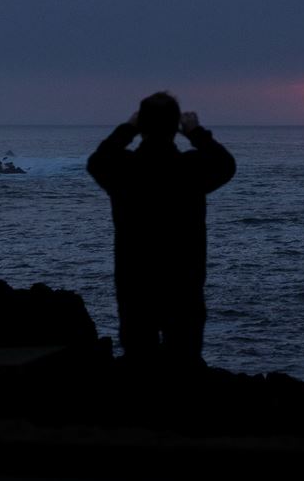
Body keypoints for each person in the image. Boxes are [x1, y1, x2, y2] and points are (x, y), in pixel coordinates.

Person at [87, 92, 236, 365]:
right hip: (183, 283)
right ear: (175, 127)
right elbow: (226, 165)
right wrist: (196, 132)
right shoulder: (190, 169)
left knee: (139, 361)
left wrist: (128, 129)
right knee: (184, 362)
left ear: (142, 125)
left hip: (135, 284)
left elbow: (97, 162)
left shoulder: (126, 169)